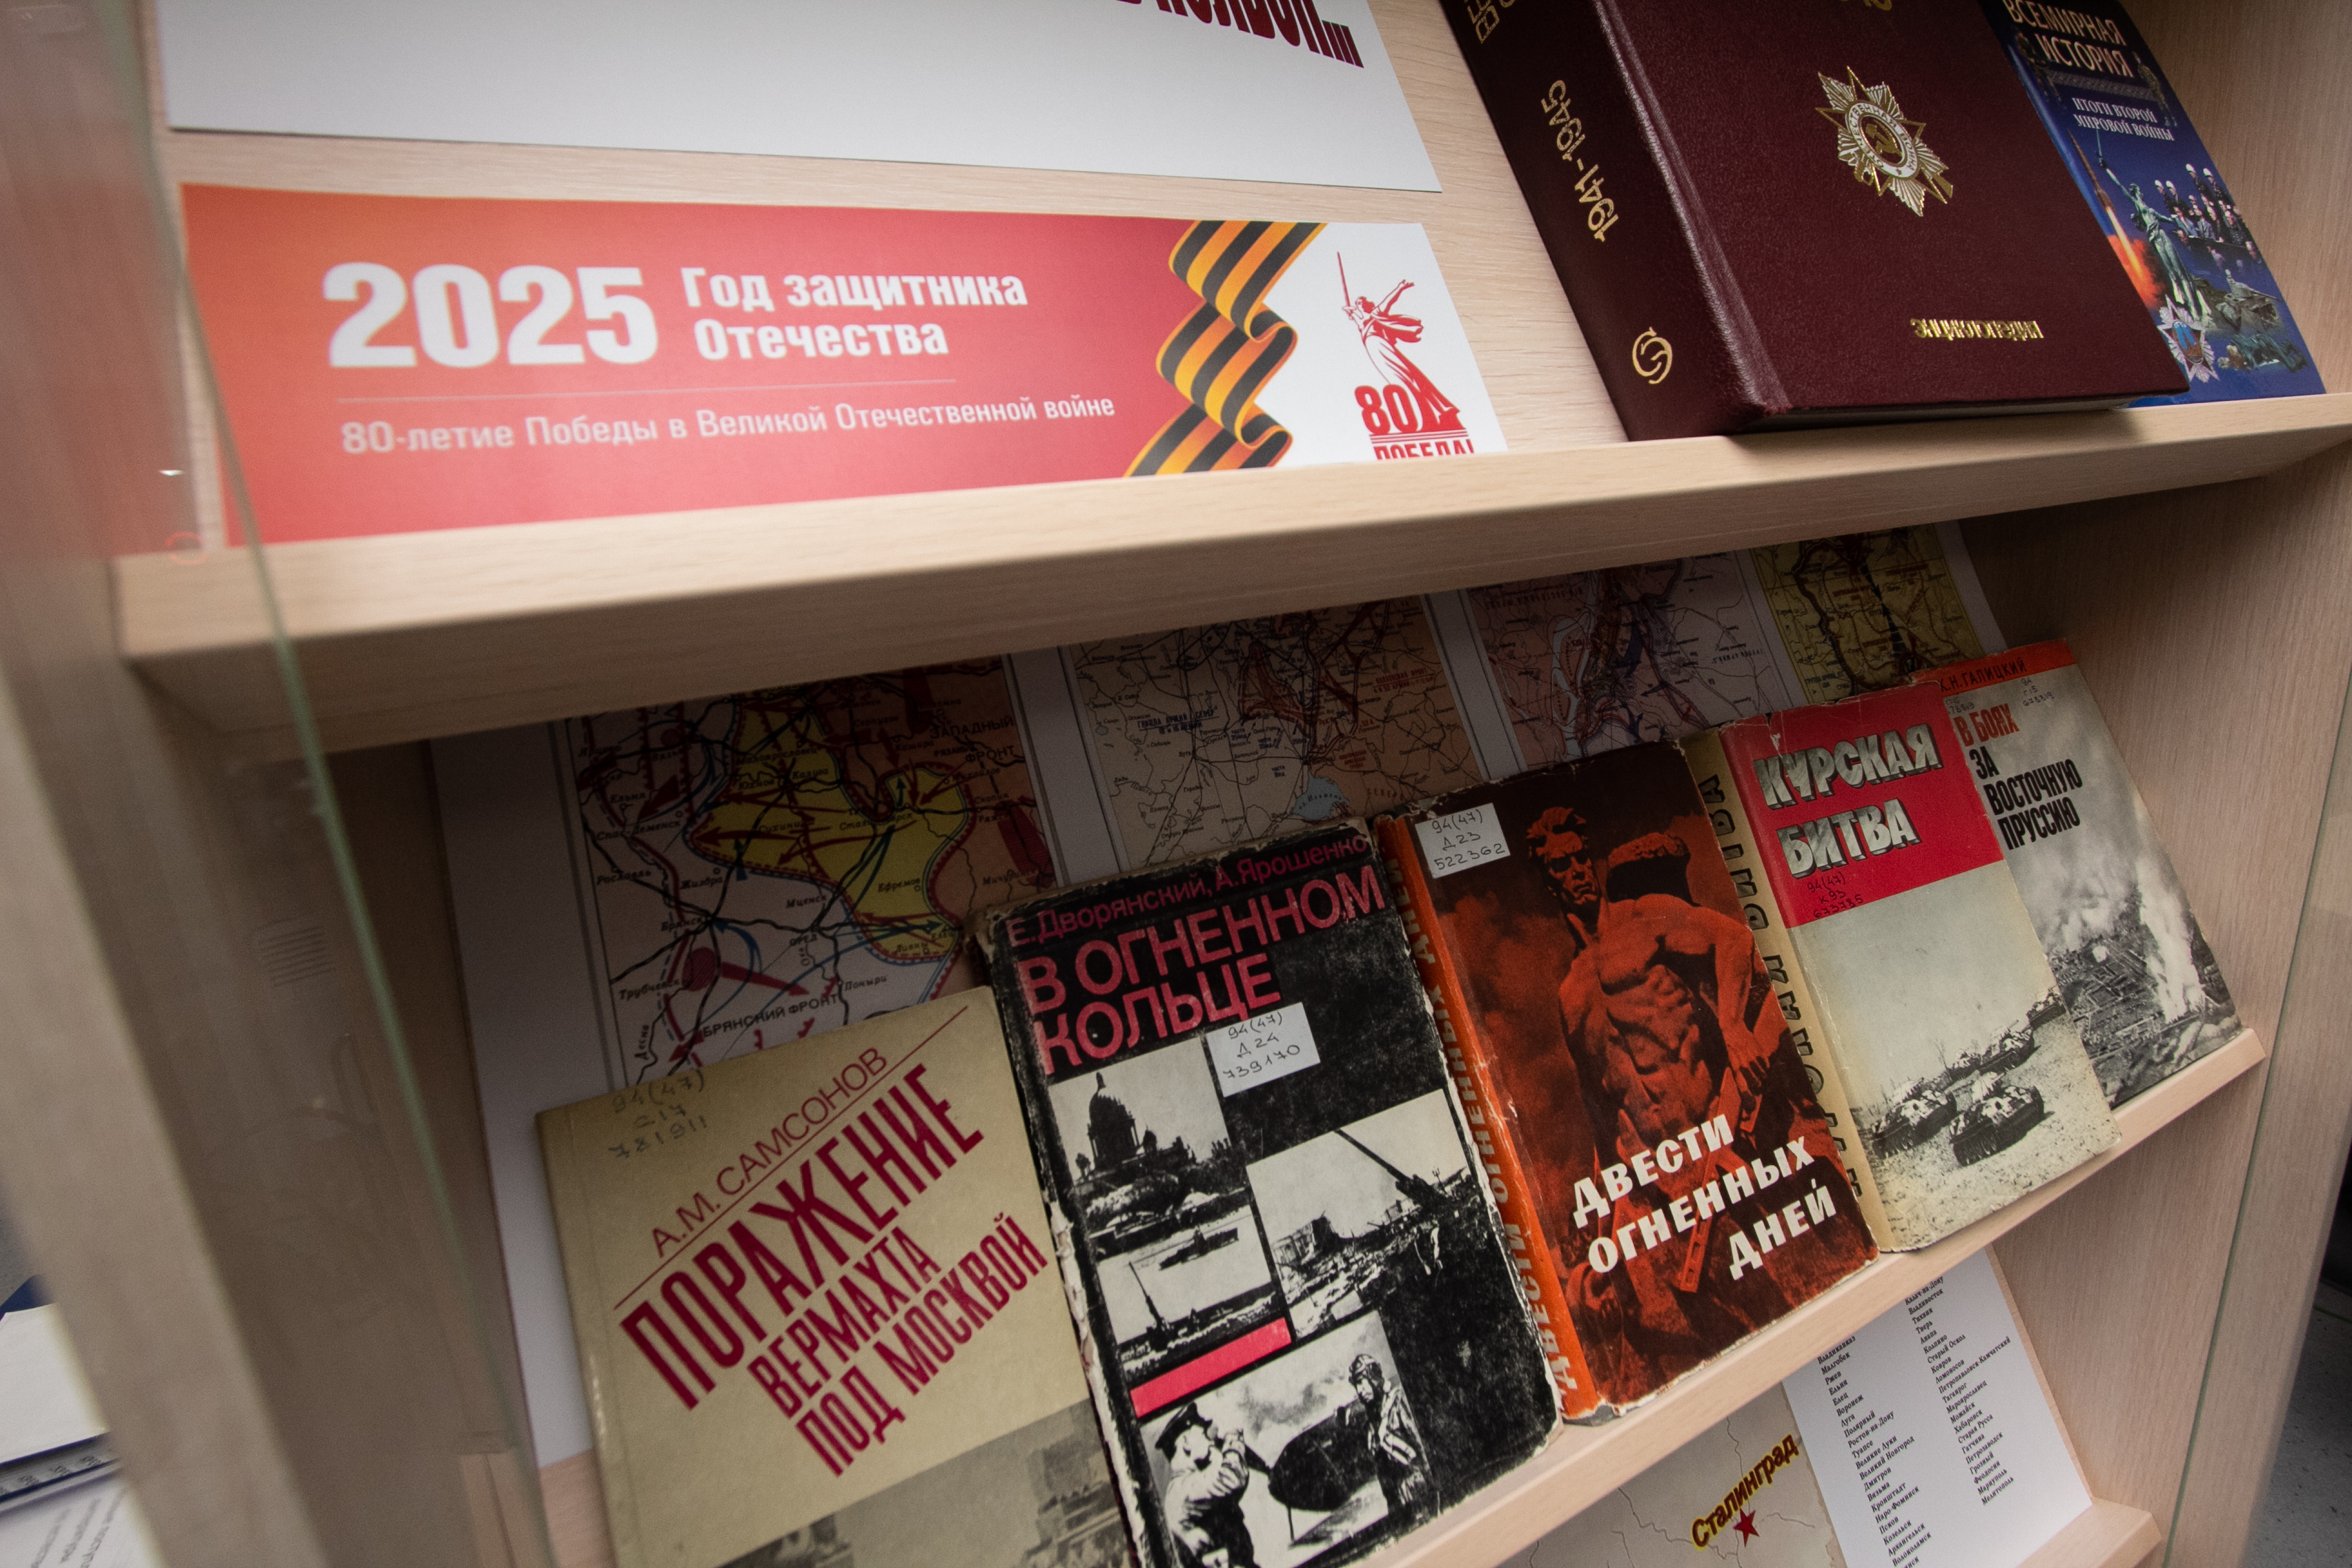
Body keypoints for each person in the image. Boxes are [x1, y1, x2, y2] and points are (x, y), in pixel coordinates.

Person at [1331, 1354, 1431, 1522]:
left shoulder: (1397, 1402)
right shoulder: (1371, 1423)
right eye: (1357, 1386)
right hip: (1397, 1502)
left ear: (1373, 1378)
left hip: (1417, 1491)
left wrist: (1430, 1480)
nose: (1360, 1391)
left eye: (1362, 1383)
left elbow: (1419, 1444)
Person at [1157, 1402, 1258, 1568]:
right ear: (1186, 1443)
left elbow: (1231, 1488)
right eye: (1203, 1433)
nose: (1210, 1439)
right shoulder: (1183, 1488)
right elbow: (1232, 1479)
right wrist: (1233, 1438)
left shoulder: (1190, 1483)